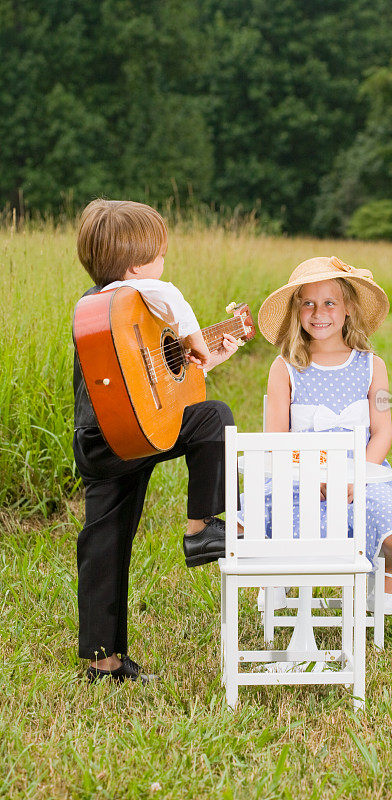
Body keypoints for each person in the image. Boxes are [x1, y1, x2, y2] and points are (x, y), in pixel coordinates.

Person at [73, 199, 239, 683]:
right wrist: (191, 334)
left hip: (106, 439)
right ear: (133, 265)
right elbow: (169, 294)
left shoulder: (103, 306)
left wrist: (203, 359)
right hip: (127, 433)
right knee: (215, 420)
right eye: (160, 254)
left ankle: (105, 663)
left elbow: (152, 378)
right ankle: (201, 528)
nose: (164, 265)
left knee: (104, 541)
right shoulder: (138, 293)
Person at [246, 255, 392, 615]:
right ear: (297, 310)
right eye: (307, 302)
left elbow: (382, 432)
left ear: (349, 308)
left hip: (362, 474)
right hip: (298, 476)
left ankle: (391, 573)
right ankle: (277, 575)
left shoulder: (373, 366)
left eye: (329, 303)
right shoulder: (285, 368)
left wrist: (353, 476)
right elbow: (276, 438)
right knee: (265, 528)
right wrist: (312, 476)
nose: (318, 312)